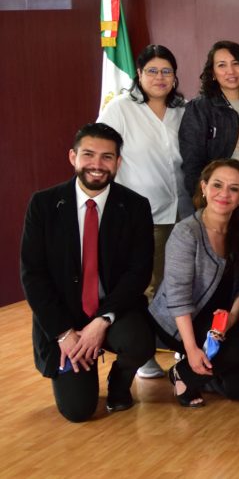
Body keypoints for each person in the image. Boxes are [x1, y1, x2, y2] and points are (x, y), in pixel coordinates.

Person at [19, 123, 155, 422]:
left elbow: (138, 272)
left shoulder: (135, 206)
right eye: (88, 154)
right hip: (63, 317)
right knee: (78, 411)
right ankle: (81, 361)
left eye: (107, 157)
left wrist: (101, 321)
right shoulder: (42, 205)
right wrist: (64, 333)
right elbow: (33, 275)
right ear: (73, 157)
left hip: (111, 309)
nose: (97, 164)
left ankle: (120, 384)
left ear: (118, 162)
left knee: (140, 343)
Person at [98, 43, 189, 379]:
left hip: (183, 210)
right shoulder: (121, 109)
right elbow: (101, 152)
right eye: (152, 70)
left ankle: (180, 346)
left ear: (175, 76)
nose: (160, 77)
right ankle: (145, 352)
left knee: (176, 283)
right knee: (146, 284)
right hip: (141, 215)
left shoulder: (184, 109)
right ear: (139, 74)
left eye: (166, 71)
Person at [149, 159, 239, 407]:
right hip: (179, 323)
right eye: (217, 185)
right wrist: (191, 348)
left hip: (219, 321)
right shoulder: (186, 232)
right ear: (204, 187)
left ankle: (186, 373)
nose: (224, 194)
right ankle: (189, 369)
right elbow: (178, 298)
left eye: (234, 188)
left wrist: (232, 316)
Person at [179, 40, 239, 199]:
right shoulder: (199, 108)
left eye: (236, 63)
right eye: (222, 65)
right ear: (212, 73)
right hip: (221, 197)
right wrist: (203, 201)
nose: (230, 71)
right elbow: (192, 164)